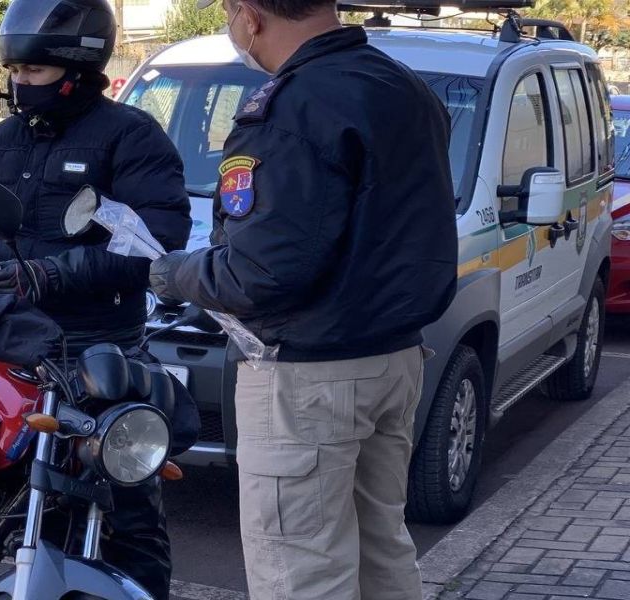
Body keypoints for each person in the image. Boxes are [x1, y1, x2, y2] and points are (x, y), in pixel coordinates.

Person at [149, 0, 458, 598]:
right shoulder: (402, 85)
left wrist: (173, 273)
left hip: (309, 378)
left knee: (301, 573)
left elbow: (257, 272)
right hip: (394, 359)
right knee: (380, 552)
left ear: (250, 15)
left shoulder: (291, 108)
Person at [0, 1, 193, 597]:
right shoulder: (2, 139)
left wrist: (47, 274)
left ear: (76, 67)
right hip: (9, 346)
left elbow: (156, 246)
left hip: (98, 357)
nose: (19, 84)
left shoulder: (130, 137)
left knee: (129, 514)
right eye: (15, 72)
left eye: (34, 73)